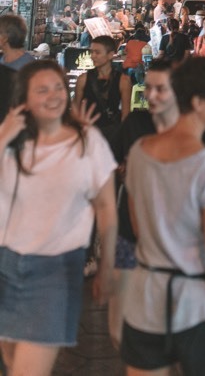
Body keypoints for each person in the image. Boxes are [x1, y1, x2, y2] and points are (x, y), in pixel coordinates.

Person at [121, 55, 205, 376]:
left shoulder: (139, 152)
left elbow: (138, 227)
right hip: (196, 309)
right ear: (198, 102)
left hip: (144, 302)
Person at [0, 60, 117, 375]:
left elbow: (106, 207)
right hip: (5, 265)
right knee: (10, 363)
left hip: (55, 271)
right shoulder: (11, 143)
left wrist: (106, 265)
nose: (53, 96)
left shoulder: (87, 141)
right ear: (23, 99)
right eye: (42, 90)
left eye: (57, 87)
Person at [107, 60, 180, 348]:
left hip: (170, 238)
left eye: (160, 88)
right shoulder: (135, 122)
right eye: (148, 87)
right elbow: (114, 160)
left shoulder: (189, 129)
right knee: (121, 322)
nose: (151, 95)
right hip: (129, 234)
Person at [74, 35, 132, 140]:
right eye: (91, 52)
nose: (93, 56)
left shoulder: (123, 81)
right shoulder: (82, 79)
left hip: (112, 135)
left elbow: (125, 114)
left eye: (97, 52)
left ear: (110, 55)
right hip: (88, 133)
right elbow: (75, 109)